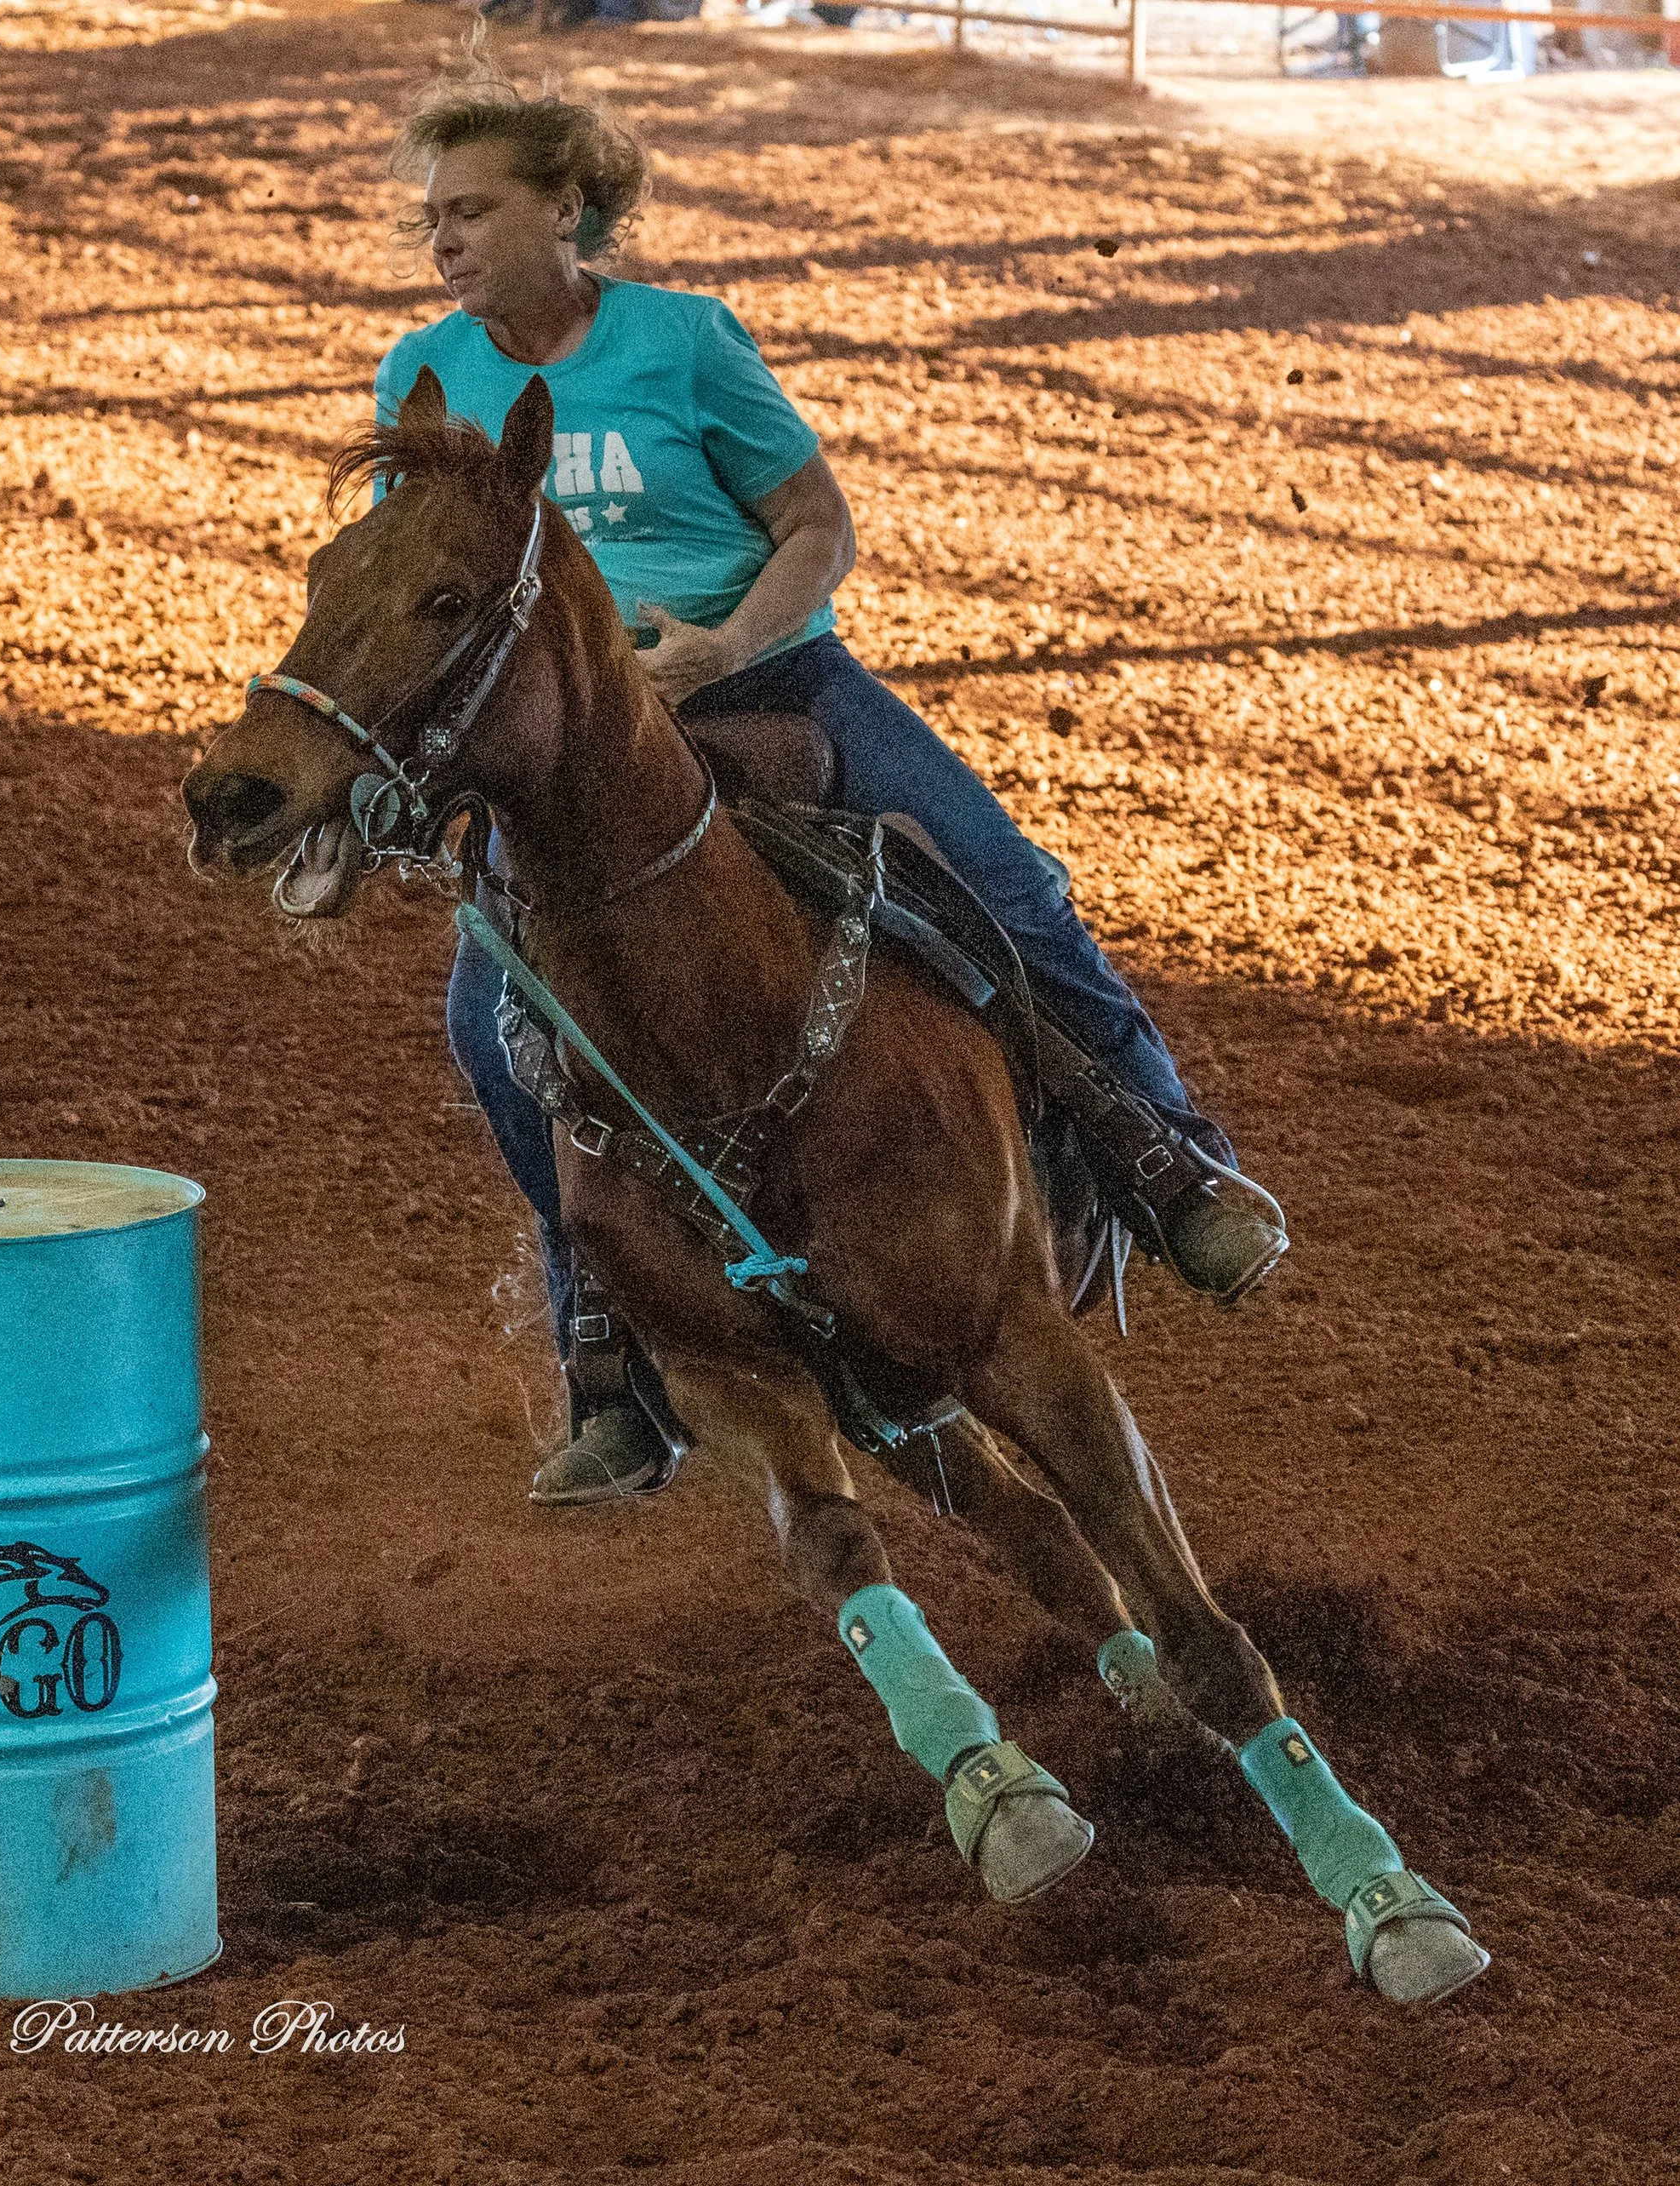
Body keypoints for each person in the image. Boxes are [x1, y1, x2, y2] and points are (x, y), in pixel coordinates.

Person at [373, 62, 1287, 1508]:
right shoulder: (427, 378)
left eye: (474, 209)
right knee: (496, 1032)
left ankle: (1171, 1162)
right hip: (573, 750)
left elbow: (818, 522)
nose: (445, 239)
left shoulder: (685, 346)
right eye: (433, 219)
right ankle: (612, 1363)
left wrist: (728, 638)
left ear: (569, 209)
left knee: (1004, 884)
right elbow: (414, 592)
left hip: (768, 687)